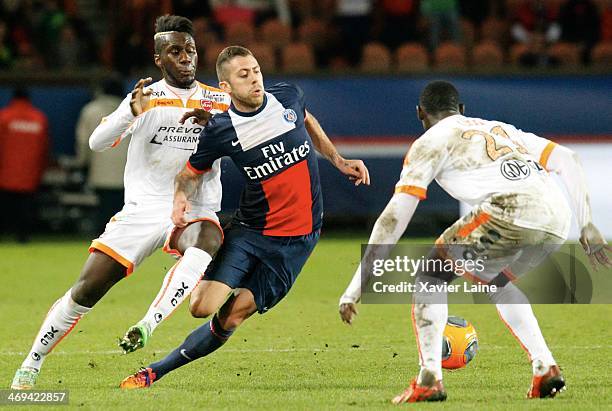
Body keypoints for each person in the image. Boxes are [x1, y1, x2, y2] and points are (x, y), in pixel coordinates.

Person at [338, 81, 610, 403]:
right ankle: (544, 368)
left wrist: (357, 285)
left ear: (420, 114)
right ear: (462, 109)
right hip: (557, 219)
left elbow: (393, 219)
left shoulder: (429, 142)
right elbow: (568, 159)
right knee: (495, 285)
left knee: (430, 275)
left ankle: (430, 379)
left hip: (510, 209)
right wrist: (588, 223)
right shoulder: (499, 128)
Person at [119, 45, 370, 389]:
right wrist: (179, 199)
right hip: (251, 231)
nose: (255, 79)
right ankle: (204, 245)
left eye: (256, 70)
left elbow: (306, 117)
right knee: (201, 307)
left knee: (230, 316)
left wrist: (338, 160)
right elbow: (191, 172)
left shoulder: (288, 96)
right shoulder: (222, 130)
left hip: (297, 242)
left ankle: (154, 372)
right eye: (244, 74)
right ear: (226, 88)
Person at [10, 15, 232, 390]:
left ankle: (149, 323)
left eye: (190, 50)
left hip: (195, 206)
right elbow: (98, 142)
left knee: (208, 238)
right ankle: (31, 363)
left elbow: (247, 140)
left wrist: (217, 125)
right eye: (175, 51)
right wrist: (130, 110)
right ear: (159, 58)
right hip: (144, 209)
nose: (185, 57)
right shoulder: (144, 98)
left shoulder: (218, 100)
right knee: (87, 289)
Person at [74, 76, 128, 233]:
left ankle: (102, 245)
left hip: (100, 173)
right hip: (126, 174)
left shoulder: (90, 110)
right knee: (122, 216)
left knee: (103, 214)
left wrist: (81, 164)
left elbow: (83, 141)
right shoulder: (132, 110)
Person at [0, 87, 49, 243]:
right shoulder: (39, 118)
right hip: (30, 173)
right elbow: (44, 148)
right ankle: (23, 236)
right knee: (26, 209)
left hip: (5, 173)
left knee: (6, 207)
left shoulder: (4, 117)